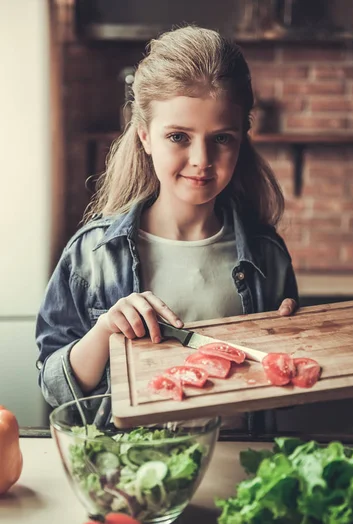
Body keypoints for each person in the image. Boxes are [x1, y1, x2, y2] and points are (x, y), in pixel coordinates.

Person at [36, 25, 298, 430]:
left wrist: (291, 347)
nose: (201, 159)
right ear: (145, 136)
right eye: (178, 136)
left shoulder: (268, 255)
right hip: (133, 474)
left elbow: (282, 395)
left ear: (242, 139)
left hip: (242, 471)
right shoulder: (92, 255)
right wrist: (106, 329)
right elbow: (54, 389)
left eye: (222, 139)